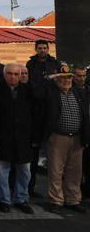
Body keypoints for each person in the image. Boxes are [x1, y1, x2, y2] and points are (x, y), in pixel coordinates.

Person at [0, 64, 36, 214]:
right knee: (3, 170)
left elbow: (35, 114)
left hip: (23, 138)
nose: (13, 77)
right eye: (10, 74)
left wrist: (34, 137)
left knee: (25, 171)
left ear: (21, 75)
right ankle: (4, 200)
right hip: (3, 137)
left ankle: (21, 199)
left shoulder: (28, 90)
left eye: (16, 74)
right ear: (4, 74)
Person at [43, 72, 89, 214]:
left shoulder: (78, 93)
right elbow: (38, 91)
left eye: (68, 77)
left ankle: (73, 200)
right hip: (58, 137)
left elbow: (85, 114)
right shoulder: (51, 92)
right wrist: (50, 77)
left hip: (76, 138)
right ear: (56, 79)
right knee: (56, 171)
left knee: (75, 172)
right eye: (62, 77)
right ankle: (56, 200)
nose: (66, 80)